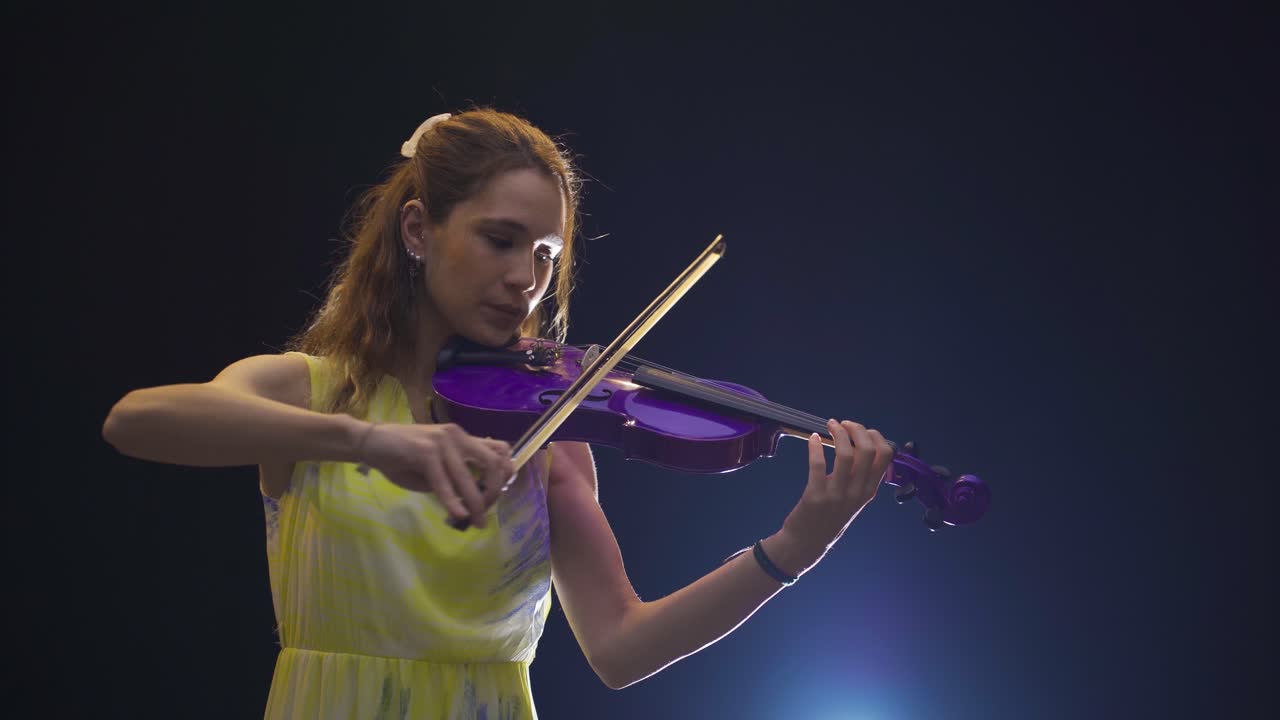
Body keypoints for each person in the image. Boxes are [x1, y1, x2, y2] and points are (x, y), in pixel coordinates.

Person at [101, 107, 895, 719]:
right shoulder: (312, 392)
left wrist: (793, 548)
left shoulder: (549, 438)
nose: (527, 279)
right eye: (501, 240)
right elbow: (136, 420)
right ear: (419, 230)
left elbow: (622, 648)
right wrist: (367, 442)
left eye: (547, 255)